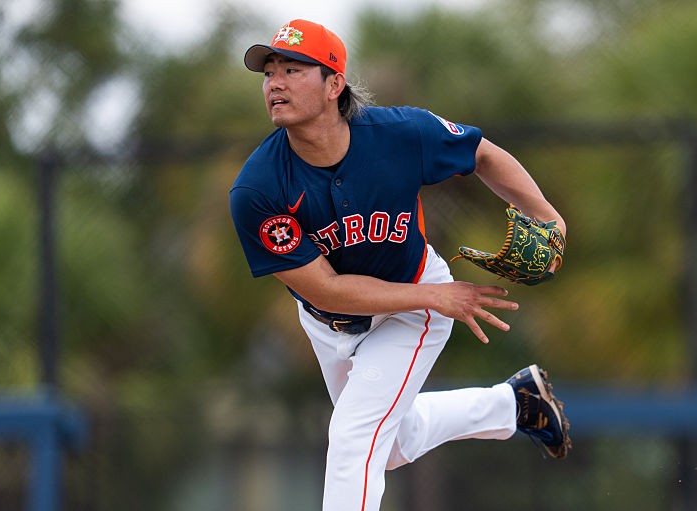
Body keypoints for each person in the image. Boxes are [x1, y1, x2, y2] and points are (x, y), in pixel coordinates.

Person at [230, 19, 571, 511]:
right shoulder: (258, 188)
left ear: (334, 84)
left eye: (292, 69)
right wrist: (438, 297)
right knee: (388, 446)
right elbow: (326, 289)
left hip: (411, 305)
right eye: (268, 73)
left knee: (353, 436)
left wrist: (547, 216)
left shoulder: (399, 134)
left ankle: (509, 403)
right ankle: (512, 404)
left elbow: (481, 154)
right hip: (335, 316)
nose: (275, 83)